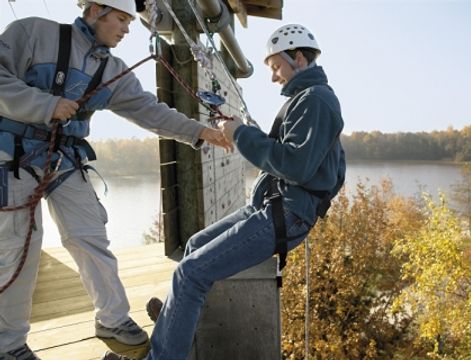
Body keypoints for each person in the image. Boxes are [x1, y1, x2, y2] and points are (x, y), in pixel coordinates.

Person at [0, 1, 232, 359]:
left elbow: (150, 111)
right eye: (122, 19)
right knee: (21, 250)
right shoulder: (34, 34)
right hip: (14, 155)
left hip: (63, 158)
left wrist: (202, 132)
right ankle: (9, 346)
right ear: (95, 11)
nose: (127, 28)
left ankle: (113, 320)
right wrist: (45, 105)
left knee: (90, 236)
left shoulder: (112, 70)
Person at [102, 22, 346, 360]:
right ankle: (175, 327)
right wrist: (241, 132)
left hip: (286, 214)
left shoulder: (316, 100)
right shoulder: (306, 100)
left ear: (299, 58)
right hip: (275, 206)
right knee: (193, 247)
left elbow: (296, 166)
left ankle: (164, 354)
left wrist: (241, 135)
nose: (274, 77)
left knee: (190, 274)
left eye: (276, 67)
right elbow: (309, 162)